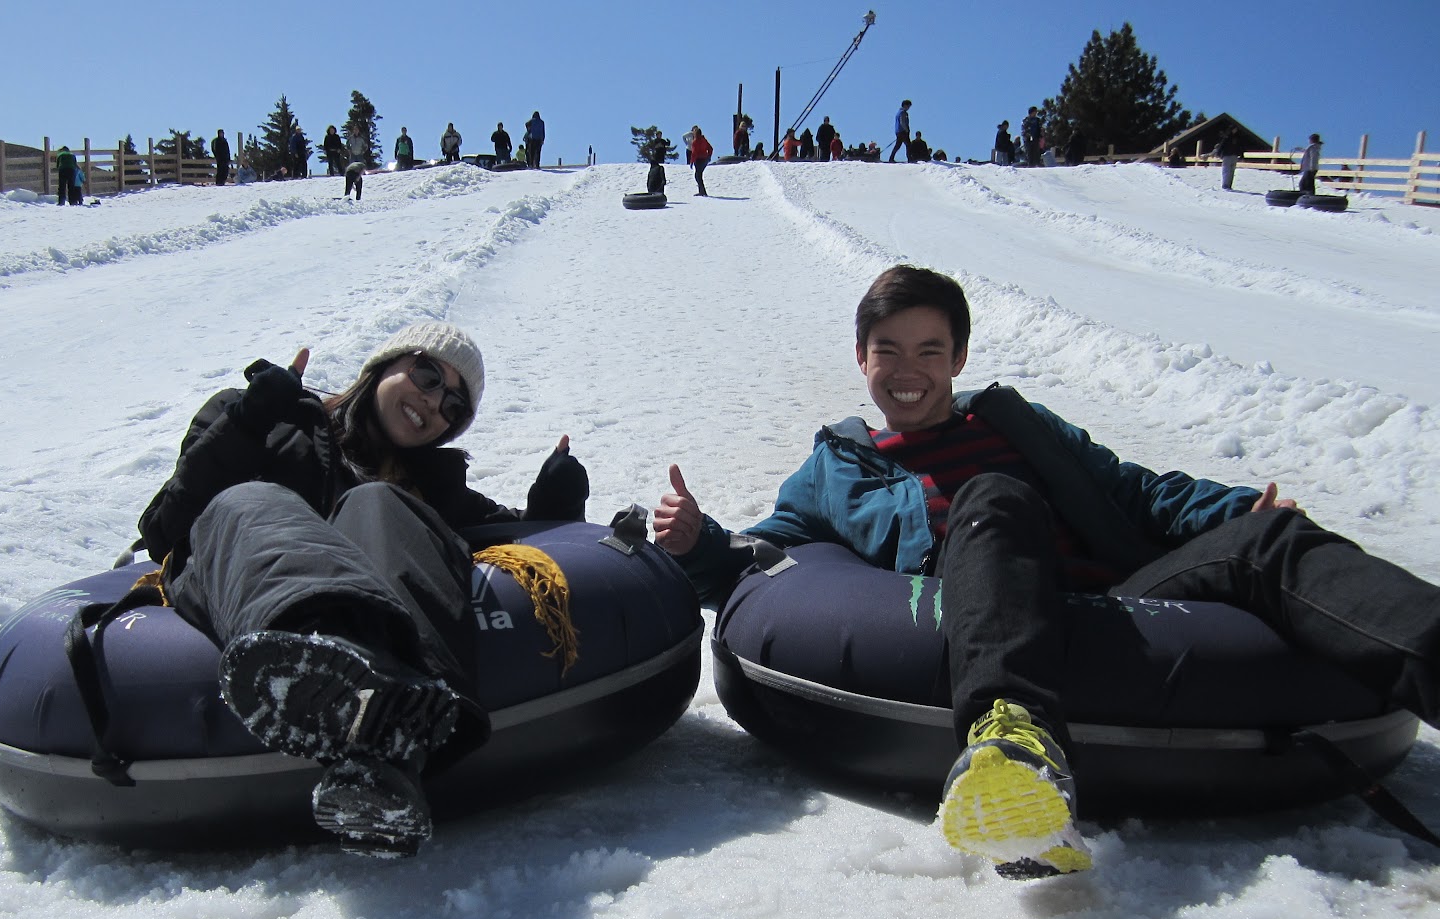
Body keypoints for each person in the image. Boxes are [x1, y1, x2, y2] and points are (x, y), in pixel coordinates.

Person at [653, 264, 1440, 881]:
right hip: (989, 609)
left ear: (958, 358)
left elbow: (1136, 490)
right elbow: (769, 560)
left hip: (1123, 605)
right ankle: (1016, 747)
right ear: (862, 358)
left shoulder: (1017, 425)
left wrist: (1237, 509)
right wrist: (697, 543)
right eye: (888, 349)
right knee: (993, 498)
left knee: (1272, 538)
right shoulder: (839, 466)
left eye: (929, 350)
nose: (907, 369)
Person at [137, 322, 589, 855]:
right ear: (383, 365)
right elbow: (163, 530)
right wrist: (246, 421)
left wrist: (554, 507)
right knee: (255, 499)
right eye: (427, 375)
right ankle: (326, 676)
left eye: (453, 406)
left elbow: (503, 538)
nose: (433, 402)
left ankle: (386, 750)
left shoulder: (431, 488)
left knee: (379, 502)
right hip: (238, 574)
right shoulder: (271, 419)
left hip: (372, 607)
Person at [688, 126, 712, 196]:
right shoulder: (704, 140)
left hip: (699, 160)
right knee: (699, 175)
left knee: (698, 176)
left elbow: (694, 153)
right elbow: (710, 148)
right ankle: (702, 191)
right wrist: (709, 156)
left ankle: (702, 191)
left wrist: (691, 162)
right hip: (705, 159)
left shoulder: (695, 142)